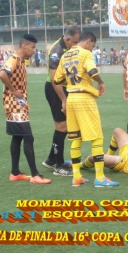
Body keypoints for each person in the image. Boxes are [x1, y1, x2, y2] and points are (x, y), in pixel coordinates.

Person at [54, 31, 119, 187]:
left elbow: (57, 79)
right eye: (93, 45)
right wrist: (100, 82)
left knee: (76, 138)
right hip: (84, 98)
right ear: (89, 41)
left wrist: (72, 79)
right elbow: (92, 71)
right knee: (97, 138)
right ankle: (100, 178)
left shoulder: (66, 55)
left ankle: (76, 177)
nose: (92, 48)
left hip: (71, 99)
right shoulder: (85, 54)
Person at [0, 34, 51, 184]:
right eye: (33, 47)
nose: (34, 50)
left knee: (18, 136)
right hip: (14, 106)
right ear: (24, 46)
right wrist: (14, 90)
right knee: (28, 137)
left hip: (18, 105)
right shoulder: (14, 59)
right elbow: (2, 74)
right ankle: (35, 175)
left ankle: (15, 173)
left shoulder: (20, 60)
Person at [43, 26, 81, 176]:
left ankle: (51, 160)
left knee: (65, 126)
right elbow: (54, 80)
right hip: (55, 89)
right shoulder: (57, 50)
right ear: (67, 39)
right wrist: (63, 100)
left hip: (63, 88)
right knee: (61, 126)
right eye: (75, 42)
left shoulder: (67, 47)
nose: (76, 45)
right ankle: (58, 166)